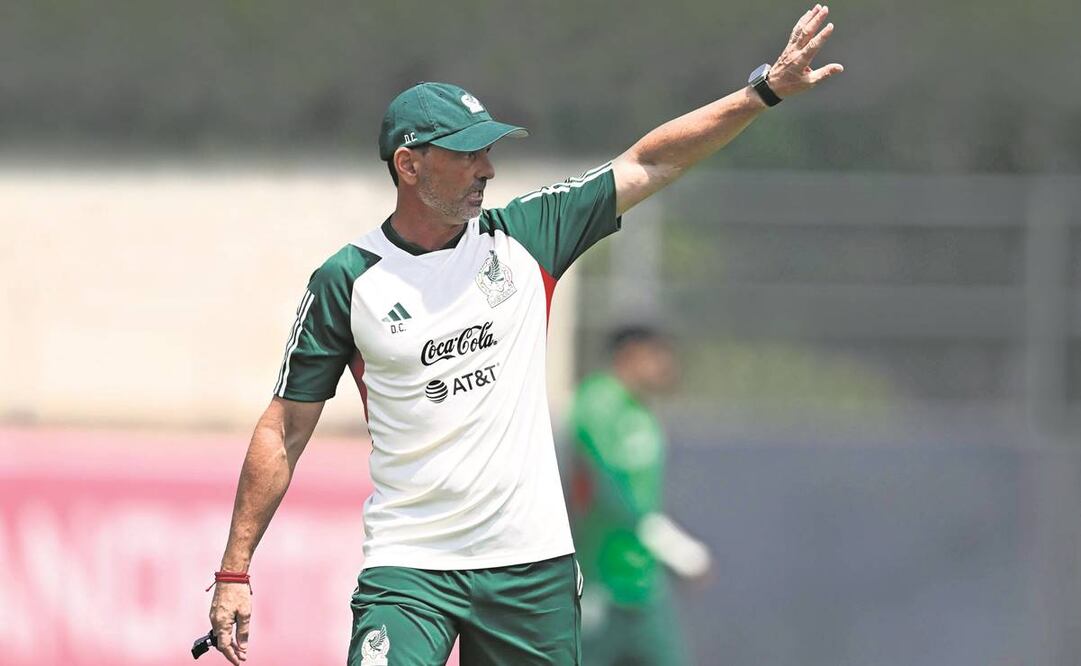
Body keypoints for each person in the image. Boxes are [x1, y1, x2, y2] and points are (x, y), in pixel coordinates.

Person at [207, 5, 842, 665]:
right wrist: (233, 571)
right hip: (409, 568)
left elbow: (649, 163)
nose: (486, 167)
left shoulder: (526, 236)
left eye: (489, 150)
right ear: (409, 165)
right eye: (465, 152)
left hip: (530, 568)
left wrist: (761, 92)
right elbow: (283, 428)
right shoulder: (346, 280)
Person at [568, 326, 711, 666]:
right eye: (657, 354)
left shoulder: (644, 413)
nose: (666, 365)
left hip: (645, 587)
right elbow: (609, 491)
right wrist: (672, 545)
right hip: (600, 581)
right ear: (631, 353)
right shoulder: (597, 403)